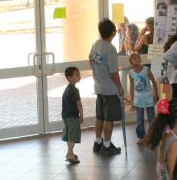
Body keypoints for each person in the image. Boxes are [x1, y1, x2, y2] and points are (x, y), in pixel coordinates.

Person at [89, 19, 124, 156]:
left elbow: (90, 59)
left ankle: (98, 142)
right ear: (113, 32)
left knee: (100, 116)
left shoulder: (96, 44)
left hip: (99, 87)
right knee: (109, 118)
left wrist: (97, 72)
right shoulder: (110, 48)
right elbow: (114, 72)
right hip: (109, 89)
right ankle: (107, 145)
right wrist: (120, 87)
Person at [126, 52, 158, 142]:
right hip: (138, 99)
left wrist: (156, 94)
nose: (137, 60)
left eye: (138, 58)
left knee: (151, 117)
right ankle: (141, 136)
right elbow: (132, 87)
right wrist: (132, 100)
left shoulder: (146, 70)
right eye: (134, 59)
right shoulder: (131, 73)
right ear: (131, 62)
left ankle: (152, 136)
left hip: (149, 98)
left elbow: (154, 81)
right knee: (139, 119)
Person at [61, 66, 83, 165]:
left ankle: (70, 153)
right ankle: (69, 154)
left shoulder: (67, 89)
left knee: (69, 134)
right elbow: (79, 104)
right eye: (76, 75)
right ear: (69, 78)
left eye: (79, 74)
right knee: (73, 135)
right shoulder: (74, 90)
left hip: (66, 115)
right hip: (72, 116)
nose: (79, 76)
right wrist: (81, 115)